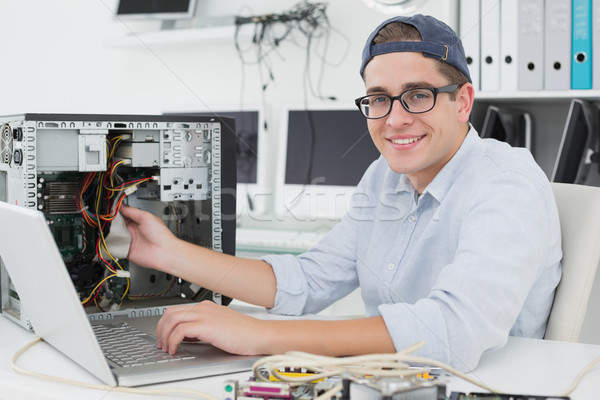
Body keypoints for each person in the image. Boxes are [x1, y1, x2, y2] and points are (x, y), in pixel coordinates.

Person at [120, 14, 562, 372]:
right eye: (379, 99)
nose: (395, 119)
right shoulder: (383, 178)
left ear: (463, 101)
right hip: (391, 380)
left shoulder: (507, 183)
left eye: (418, 95)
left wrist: (261, 334)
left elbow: (452, 330)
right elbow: (309, 280)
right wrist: (166, 253)